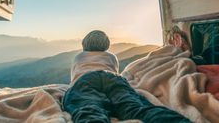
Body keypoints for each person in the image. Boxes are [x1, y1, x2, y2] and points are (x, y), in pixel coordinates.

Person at [62, 30, 191, 123]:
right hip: (112, 78)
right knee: (134, 108)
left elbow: (74, 80)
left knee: (89, 109)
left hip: (86, 80)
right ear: (106, 45)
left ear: (84, 44)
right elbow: (115, 72)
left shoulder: (78, 57)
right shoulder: (112, 57)